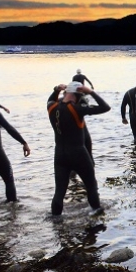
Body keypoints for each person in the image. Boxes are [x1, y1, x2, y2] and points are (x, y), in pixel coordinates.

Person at [47, 81, 111, 215]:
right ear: (77, 94)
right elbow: (105, 107)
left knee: (59, 191)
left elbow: (51, 99)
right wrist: (91, 92)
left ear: (65, 93)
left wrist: (56, 90)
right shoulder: (76, 109)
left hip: (60, 155)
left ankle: (55, 221)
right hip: (78, 153)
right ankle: (97, 215)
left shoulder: (51, 107)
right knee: (91, 186)